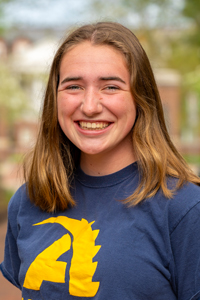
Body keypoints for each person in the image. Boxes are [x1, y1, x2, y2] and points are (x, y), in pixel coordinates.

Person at [1, 22, 200, 300]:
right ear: (55, 98)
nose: (90, 106)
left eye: (110, 87)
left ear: (140, 99)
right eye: (74, 86)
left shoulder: (185, 209)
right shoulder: (28, 200)